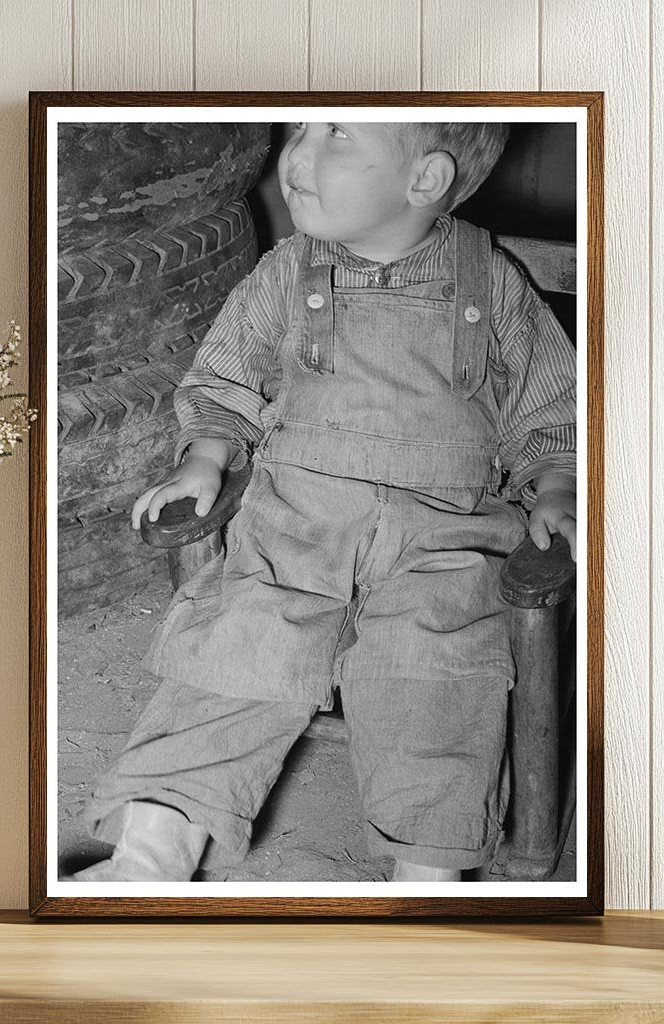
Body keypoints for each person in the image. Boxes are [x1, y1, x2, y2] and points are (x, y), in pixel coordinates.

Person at [71, 121, 577, 883]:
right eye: (302, 128)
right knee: (237, 648)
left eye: (337, 136)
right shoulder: (286, 272)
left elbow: (549, 408)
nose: (296, 155)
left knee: (434, 673)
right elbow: (224, 379)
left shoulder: (491, 280)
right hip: (297, 521)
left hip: (444, 535)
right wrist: (205, 457)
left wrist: (557, 485)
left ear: (425, 180)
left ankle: (426, 874)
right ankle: (151, 851)